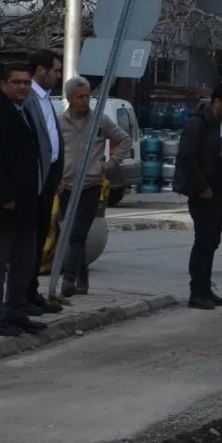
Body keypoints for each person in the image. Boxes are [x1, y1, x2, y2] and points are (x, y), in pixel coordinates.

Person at [0, 63, 45, 337]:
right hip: (2, 204)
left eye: (26, 83)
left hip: (27, 203)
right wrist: (5, 197)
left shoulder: (24, 112)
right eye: (16, 82)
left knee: (24, 260)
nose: (23, 87)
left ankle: (15, 311)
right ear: (3, 84)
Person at [55, 75, 133, 298]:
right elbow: (55, 150)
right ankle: (83, 274)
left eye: (87, 96)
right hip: (67, 185)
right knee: (70, 232)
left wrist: (110, 163)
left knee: (79, 233)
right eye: (80, 96)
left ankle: (69, 279)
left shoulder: (100, 120)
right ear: (70, 99)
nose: (84, 100)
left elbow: (125, 140)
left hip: (91, 183)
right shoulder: (61, 122)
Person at [174, 83, 222, 309]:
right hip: (203, 192)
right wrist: (202, 187)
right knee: (203, 241)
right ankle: (196, 292)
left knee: (213, 242)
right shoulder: (197, 124)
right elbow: (188, 158)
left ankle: (206, 289)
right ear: (216, 102)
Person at [24, 48, 64, 315]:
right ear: (41, 70)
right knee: (28, 239)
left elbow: (51, 138)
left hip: (48, 178)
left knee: (40, 237)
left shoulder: (47, 99)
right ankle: (22, 294)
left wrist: (57, 173)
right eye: (56, 71)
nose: (59, 76)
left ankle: (32, 291)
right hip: (33, 180)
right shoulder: (28, 99)